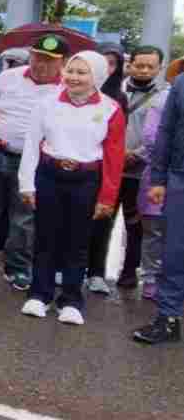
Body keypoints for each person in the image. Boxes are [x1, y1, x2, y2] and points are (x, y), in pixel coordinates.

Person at [19, 51, 125, 326]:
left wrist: (107, 197)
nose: (73, 77)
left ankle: (71, 300)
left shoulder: (110, 109)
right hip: (49, 176)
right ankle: (39, 295)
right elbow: (31, 144)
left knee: (77, 243)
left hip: (86, 180)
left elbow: (113, 157)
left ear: (97, 76)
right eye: (70, 71)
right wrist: (27, 184)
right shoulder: (47, 103)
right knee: (45, 238)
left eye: (82, 72)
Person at [0, 35, 67, 290]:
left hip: (34, 163)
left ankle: (17, 267)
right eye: (37, 56)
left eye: (49, 60)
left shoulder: (64, 89)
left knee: (24, 217)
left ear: (61, 62)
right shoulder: (8, 77)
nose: (41, 63)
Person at [106, 45, 168, 291]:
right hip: (110, 170)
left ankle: (129, 271)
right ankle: (94, 269)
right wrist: (115, 153)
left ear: (159, 68)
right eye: (139, 65)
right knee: (103, 220)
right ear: (129, 65)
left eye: (150, 66)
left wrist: (137, 154)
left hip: (140, 173)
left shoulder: (165, 96)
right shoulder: (114, 90)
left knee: (136, 226)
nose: (144, 70)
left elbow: (161, 133)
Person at [135, 56, 184, 344]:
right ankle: (168, 319)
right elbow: (166, 131)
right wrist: (158, 178)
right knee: (175, 252)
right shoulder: (181, 84)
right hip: (180, 176)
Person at [85, 42, 129, 294]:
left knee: (102, 220)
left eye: (113, 64)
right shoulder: (72, 89)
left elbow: (115, 142)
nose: (107, 68)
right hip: (76, 167)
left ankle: (96, 272)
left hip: (104, 169)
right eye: (103, 61)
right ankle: (64, 267)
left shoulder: (118, 98)